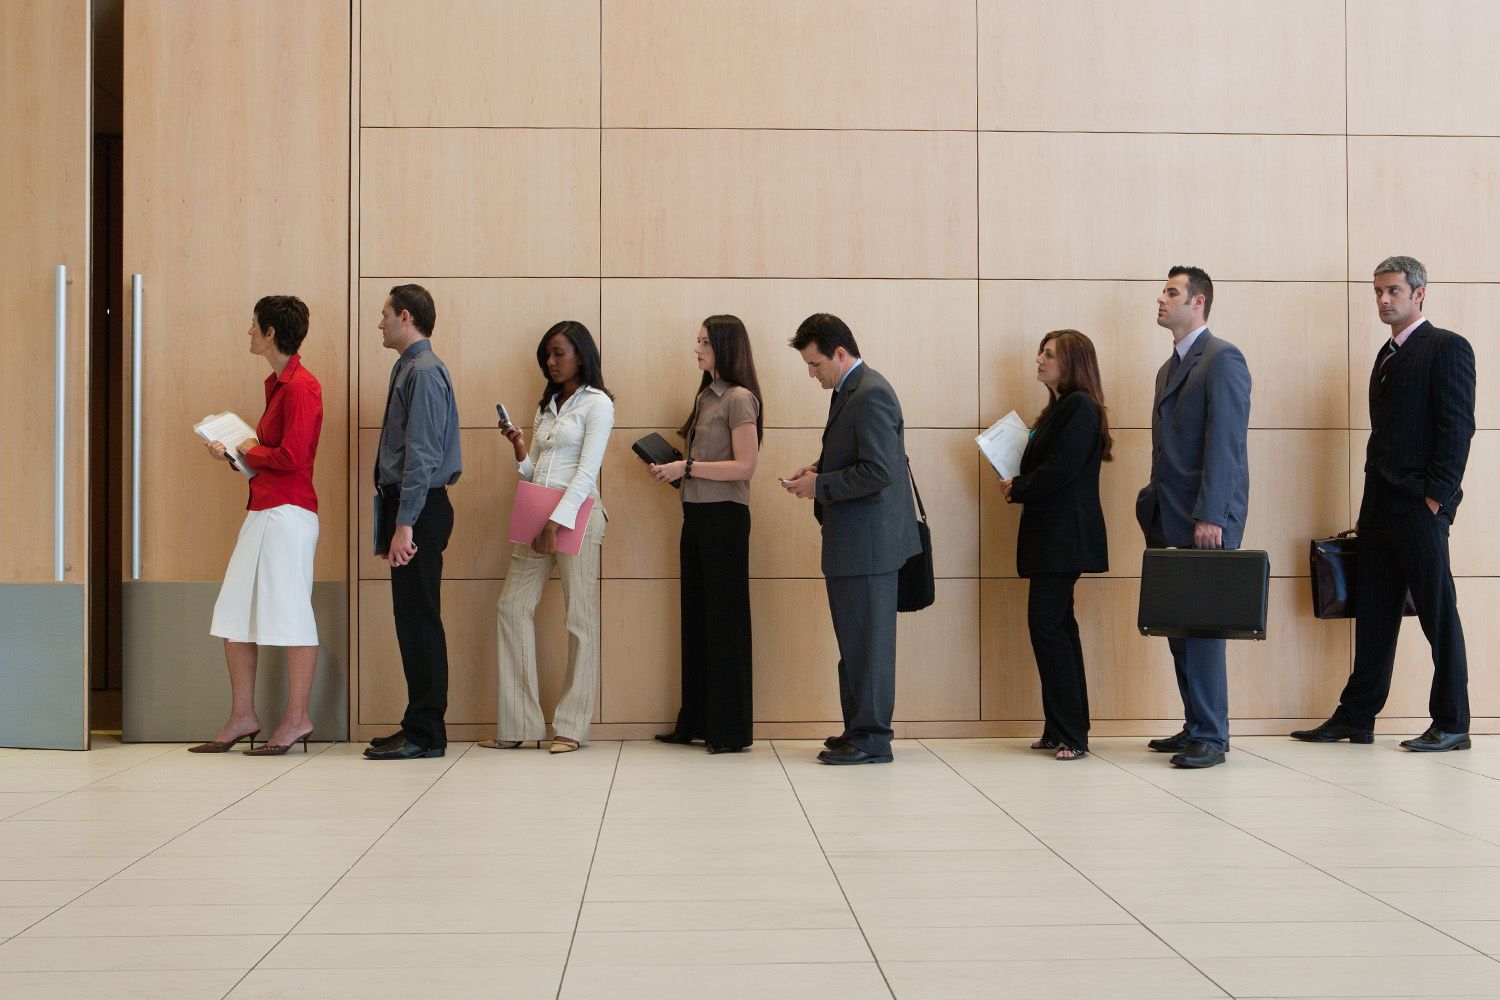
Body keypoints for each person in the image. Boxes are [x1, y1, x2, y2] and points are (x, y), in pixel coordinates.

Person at [1293, 256, 1477, 751]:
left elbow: (1457, 428)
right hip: (1377, 510)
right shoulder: (1386, 353)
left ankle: (1453, 722)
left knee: (1439, 614)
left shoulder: (1447, 347)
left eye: (1393, 290)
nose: (1383, 300)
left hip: (1420, 507)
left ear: (1420, 293)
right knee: (1375, 616)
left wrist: (1437, 500)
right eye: (1378, 291)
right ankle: (1357, 716)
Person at [782, 313, 919, 765]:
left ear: (840, 354)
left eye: (816, 364)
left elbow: (879, 472)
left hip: (869, 547)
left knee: (870, 647)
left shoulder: (871, 393)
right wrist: (818, 471)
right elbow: (857, 459)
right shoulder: (850, 391)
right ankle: (857, 729)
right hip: (853, 545)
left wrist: (819, 487)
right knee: (855, 646)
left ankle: (873, 739)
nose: (812, 373)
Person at [192, 295, 323, 757]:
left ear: (270, 333)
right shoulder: (279, 385)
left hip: (287, 514)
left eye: (253, 326)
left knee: (291, 614)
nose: (248, 332)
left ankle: (297, 719)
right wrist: (236, 454)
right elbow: (268, 459)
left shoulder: (302, 387)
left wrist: (247, 445)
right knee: (235, 612)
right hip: (265, 509)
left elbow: (292, 458)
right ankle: (243, 715)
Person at [1136, 266, 1251, 770]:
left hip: (1204, 517)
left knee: (1202, 629)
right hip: (1168, 513)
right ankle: (1194, 724)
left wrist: (1212, 515)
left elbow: (1226, 444)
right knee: (1179, 626)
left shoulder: (1222, 359)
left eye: (1172, 292)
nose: (1161, 299)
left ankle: (1212, 734)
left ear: (1198, 302)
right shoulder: (1169, 367)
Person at [488, 321, 614, 754]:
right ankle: (521, 723)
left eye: (559, 353)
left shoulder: (598, 404)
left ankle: (572, 727)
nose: (551, 362)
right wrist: (521, 447)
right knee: (511, 607)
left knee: (579, 618)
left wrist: (557, 522)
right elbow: (534, 471)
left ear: (581, 354)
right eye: (547, 355)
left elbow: (585, 471)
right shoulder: (548, 406)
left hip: (576, 513)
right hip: (537, 513)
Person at [649, 315, 762, 755]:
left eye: (704, 343)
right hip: (695, 516)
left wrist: (688, 467)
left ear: (725, 348)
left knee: (725, 624)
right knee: (696, 621)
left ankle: (729, 731)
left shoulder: (739, 399)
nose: (696, 350)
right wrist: (673, 468)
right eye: (697, 342)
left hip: (726, 520)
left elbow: (745, 466)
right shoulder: (704, 399)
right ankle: (694, 721)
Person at [999, 330, 1111, 762]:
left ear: (1072, 363)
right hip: (1054, 538)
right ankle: (1062, 727)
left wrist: (1019, 487)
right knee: (1058, 630)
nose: (1039, 360)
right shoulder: (1059, 409)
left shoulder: (1079, 407)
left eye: (1048, 355)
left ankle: (1071, 734)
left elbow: (1060, 470)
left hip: (1064, 539)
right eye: (1040, 352)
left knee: (1048, 629)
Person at [365, 284, 462, 761]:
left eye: (383, 314)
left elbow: (421, 455)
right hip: (410, 507)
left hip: (419, 509)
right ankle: (417, 722)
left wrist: (405, 525)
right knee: (411, 619)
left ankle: (427, 732)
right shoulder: (409, 367)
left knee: (420, 619)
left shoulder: (422, 371)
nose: (378, 322)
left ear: (406, 317)